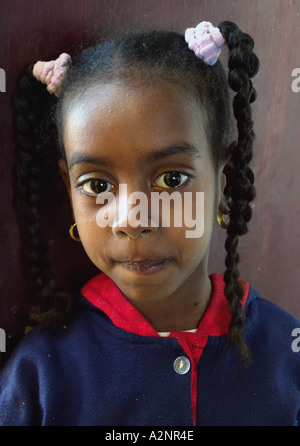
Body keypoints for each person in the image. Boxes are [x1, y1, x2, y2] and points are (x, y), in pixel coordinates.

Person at [0, 20, 299, 426]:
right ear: (68, 190)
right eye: (97, 184)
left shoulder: (287, 353)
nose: (132, 220)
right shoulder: (39, 375)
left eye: (171, 179)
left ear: (223, 182)